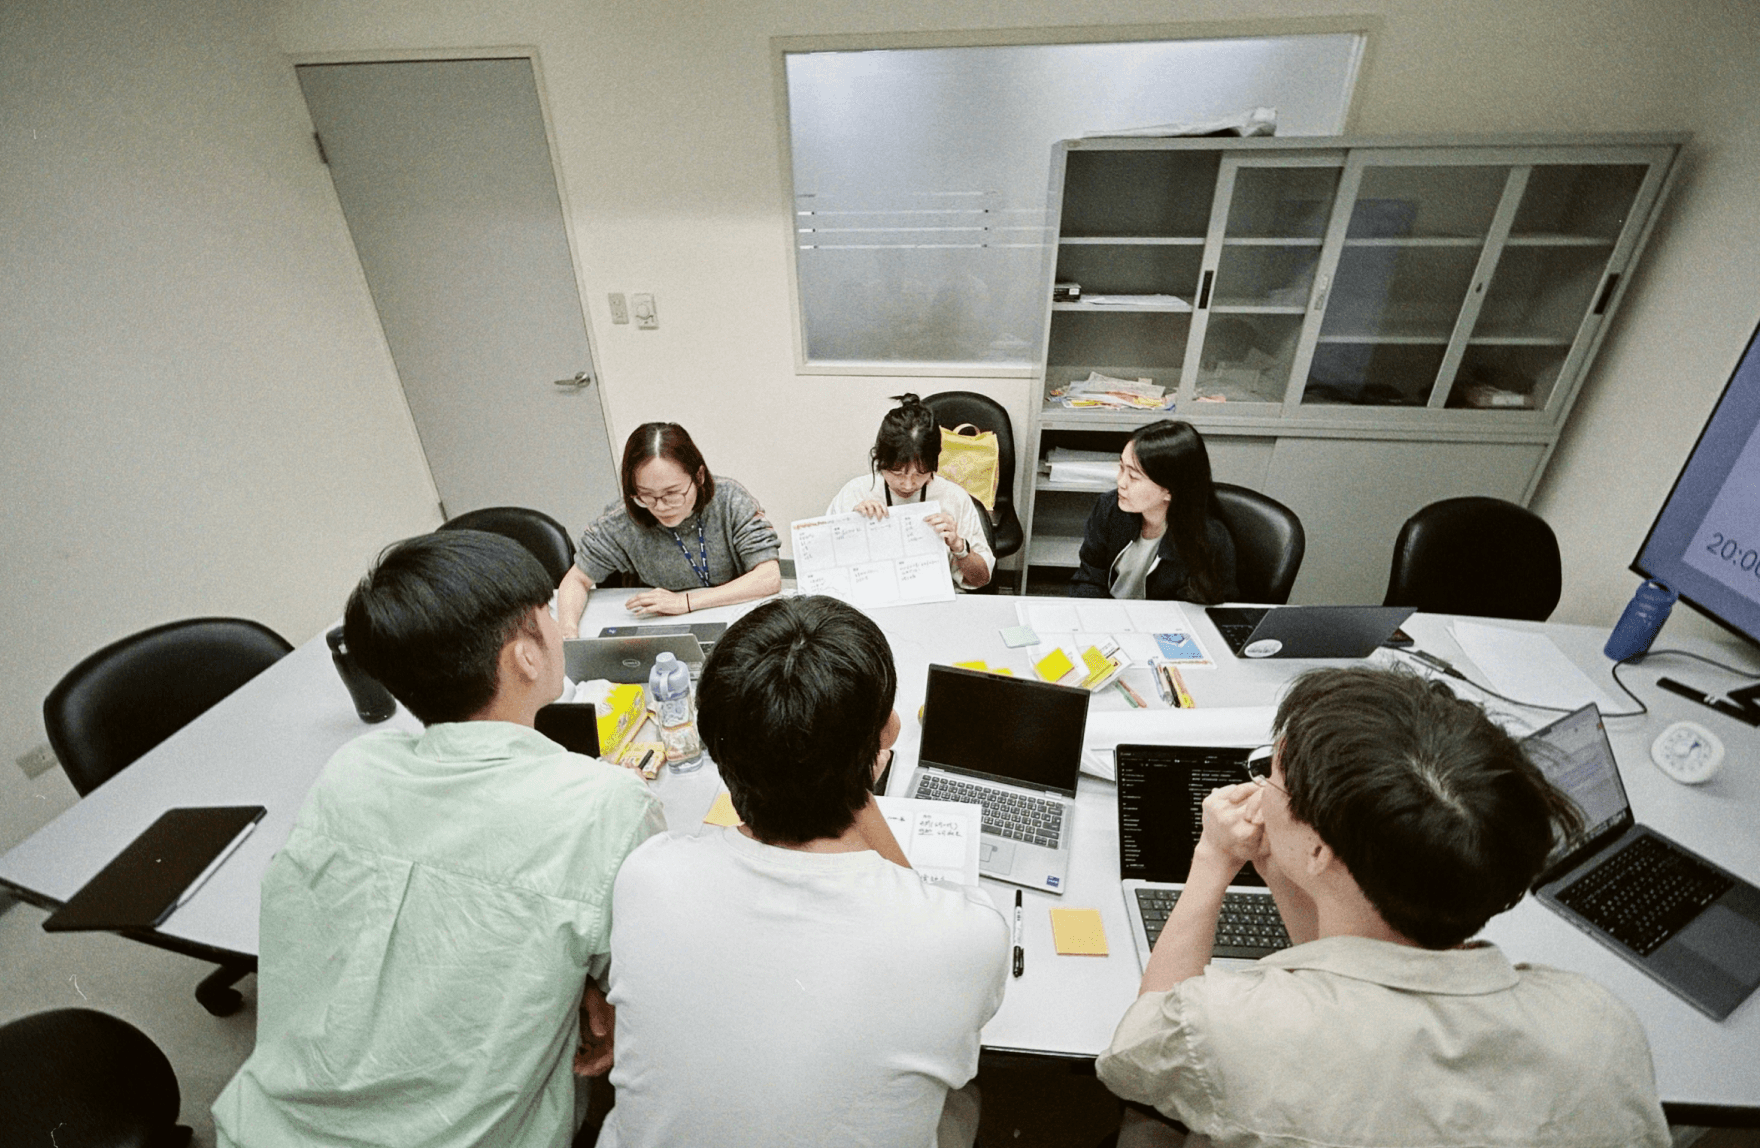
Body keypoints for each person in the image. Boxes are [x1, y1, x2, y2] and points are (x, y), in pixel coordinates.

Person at [213, 531, 664, 1148]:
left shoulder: (353, 768)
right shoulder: (606, 806)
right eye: (546, 613)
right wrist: (590, 983)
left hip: (263, 1128)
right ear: (525, 657)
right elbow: (651, 987)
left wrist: (570, 973)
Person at [1095, 666, 1671, 1148]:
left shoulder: (1230, 1027)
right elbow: (1358, 955)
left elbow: (1136, 1055)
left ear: (1321, 848)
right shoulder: (1600, 1024)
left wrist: (1213, 859)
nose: (1263, 789)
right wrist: (1287, 868)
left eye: (1272, 776)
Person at [594, 595, 1010, 1148]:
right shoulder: (965, 935)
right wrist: (846, 773)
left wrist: (835, 768)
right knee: (964, 1101)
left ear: (713, 744)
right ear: (889, 733)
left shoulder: (648, 876)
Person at [558, 422, 781, 634]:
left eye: (672, 493)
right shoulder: (622, 520)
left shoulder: (729, 500)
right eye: (646, 495)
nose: (660, 507)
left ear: (699, 476)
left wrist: (684, 602)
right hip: (662, 626)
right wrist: (567, 631)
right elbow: (577, 579)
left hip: (735, 618)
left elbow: (769, 576)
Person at [827, 393, 994, 591]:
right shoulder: (855, 493)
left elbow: (981, 580)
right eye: (897, 473)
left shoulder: (954, 498)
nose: (907, 485)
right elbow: (824, 569)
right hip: (869, 596)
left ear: (934, 464)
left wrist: (959, 547)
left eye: (920, 474)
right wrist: (850, 527)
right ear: (879, 459)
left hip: (934, 599)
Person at [1070, 420, 1237, 603]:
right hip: (1111, 612)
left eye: (1133, 476)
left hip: (1165, 620)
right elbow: (1089, 578)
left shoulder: (1209, 539)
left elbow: (1206, 608)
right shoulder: (1109, 508)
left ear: (1170, 490)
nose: (1120, 482)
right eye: (1121, 468)